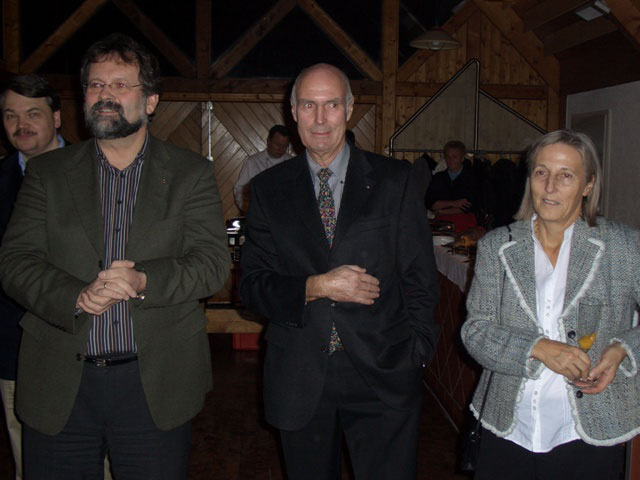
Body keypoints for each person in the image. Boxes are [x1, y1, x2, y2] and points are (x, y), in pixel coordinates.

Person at [0, 33, 229, 479]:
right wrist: (75, 295)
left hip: (154, 383)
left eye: (120, 85)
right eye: (95, 85)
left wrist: (144, 280)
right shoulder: (47, 173)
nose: (105, 95)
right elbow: (15, 261)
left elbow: (212, 265)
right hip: (59, 381)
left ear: (151, 101)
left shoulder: (190, 173)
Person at [239, 63, 440, 480]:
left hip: (383, 371)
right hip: (299, 373)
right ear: (292, 111)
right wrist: (317, 286)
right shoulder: (268, 189)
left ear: (349, 109)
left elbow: (420, 277)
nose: (319, 118)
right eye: (308, 105)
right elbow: (252, 287)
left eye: (331, 104)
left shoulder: (395, 181)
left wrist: (416, 354)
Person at [461, 130, 639, 480]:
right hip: (509, 426)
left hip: (589, 432)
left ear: (588, 185)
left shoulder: (622, 247)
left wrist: (623, 349)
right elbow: (475, 332)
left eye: (566, 175)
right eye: (541, 172)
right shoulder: (497, 247)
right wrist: (537, 348)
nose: (550, 186)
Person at [0, 74, 65, 480]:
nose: (20, 124)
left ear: (56, 118)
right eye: (10, 115)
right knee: (30, 460)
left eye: (32, 114)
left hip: (85, 343)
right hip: (13, 343)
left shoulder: (100, 170)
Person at [233, 124, 291, 212]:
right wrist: (248, 210)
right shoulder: (253, 162)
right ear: (269, 141)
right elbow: (240, 190)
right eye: (277, 145)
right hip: (260, 212)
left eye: (284, 146)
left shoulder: (292, 163)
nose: (281, 149)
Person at [425, 140, 478, 231]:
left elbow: (468, 206)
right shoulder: (438, 178)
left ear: (462, 158)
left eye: (454, 157)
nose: (450, 160)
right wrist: (454, 203)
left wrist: (442, 210)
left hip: (465, 225)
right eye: (448, 157)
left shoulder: (472, 178)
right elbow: (430, 203)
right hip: (441, 225)